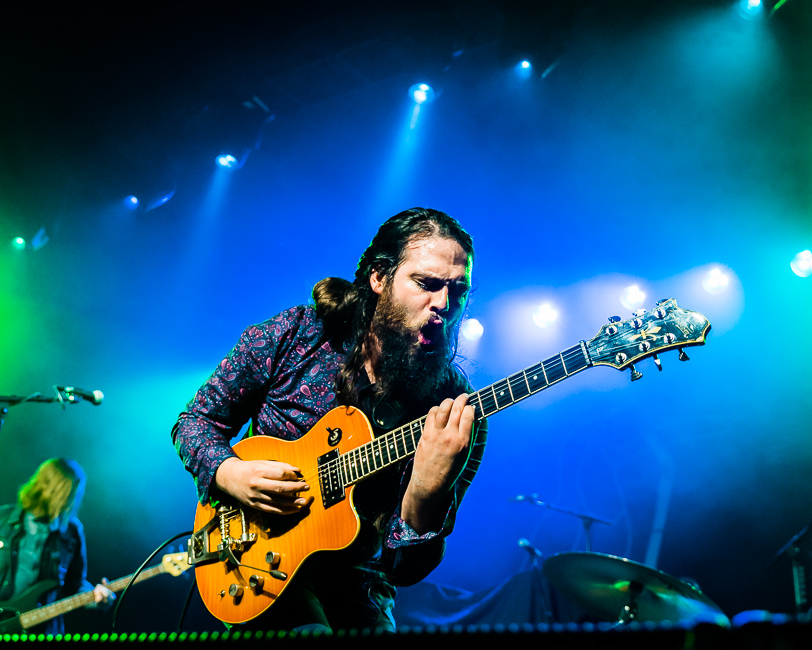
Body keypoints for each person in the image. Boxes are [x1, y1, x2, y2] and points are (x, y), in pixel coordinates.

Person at [172, 207, 487, 632]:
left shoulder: (457, 409)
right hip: (255, 561)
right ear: (380, 277)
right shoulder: (297, 334)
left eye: (458, 290)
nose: (444, 305)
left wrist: (426, 495)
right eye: (427, 284)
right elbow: (195, 421)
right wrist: (230, 474)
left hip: (359, 584)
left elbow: (405, 570)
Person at [0, 458, 115, 635]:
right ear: (47, 488)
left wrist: (95, 596)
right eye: (69, 493)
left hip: (43, 632)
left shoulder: (72, 531)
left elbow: (75, 584)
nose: (71, 501)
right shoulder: (2, 519)